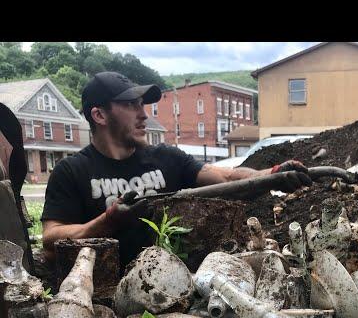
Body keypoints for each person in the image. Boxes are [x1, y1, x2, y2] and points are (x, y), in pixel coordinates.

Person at [42, 72, 312, 266]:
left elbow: (227, 177)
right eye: (129, 105)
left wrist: (274, 174)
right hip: (106, 294)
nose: (143, 114)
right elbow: (50, 240)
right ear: (99, 115)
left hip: (174, 282)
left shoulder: (167, 158)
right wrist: (108, 221)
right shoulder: (72, 171)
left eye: (142, 104)